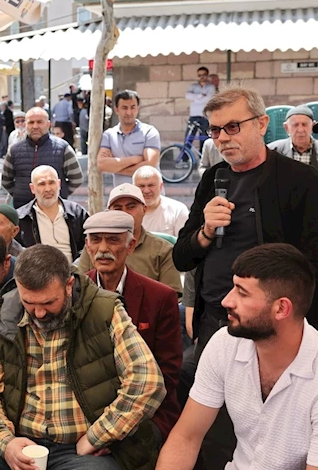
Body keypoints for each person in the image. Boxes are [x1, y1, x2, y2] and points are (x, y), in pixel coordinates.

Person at [0, 244, 166, 470]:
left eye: (48, 302)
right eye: (29, 303)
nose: (39, 313)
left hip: (79, 444)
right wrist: (5, 442)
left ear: (68, 285)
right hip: (19, 438)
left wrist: (98, 436)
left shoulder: (104, 310)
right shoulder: (4, 313)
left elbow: (146, 382)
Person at [174, 86, 318, 350]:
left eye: (233, 126)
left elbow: (311, 265)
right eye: (215, 130)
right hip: (215, 322)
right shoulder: (212, 178)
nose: (222, 139)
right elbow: (182, 257)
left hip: (270, 328)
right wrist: (205, 231)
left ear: (262, 124)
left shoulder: (301, 180)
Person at [158, 244, 318, 470]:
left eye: (242, 293)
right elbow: (186, 438)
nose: (226, 301)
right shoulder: (225, 344)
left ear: (281, 308)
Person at [83, 211, 182, 442]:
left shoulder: (160, 297)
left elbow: (168, 371)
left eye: (113, 240)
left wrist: (121, 421)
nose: (103, 248)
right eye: (96, 239)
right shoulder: (75, 292)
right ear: (87, 246)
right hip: (87, 409)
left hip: (146, 407)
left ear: (130, 246)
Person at [79, 184, 182, 293]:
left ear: (144, 209)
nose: (125, 212)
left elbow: (171, 297)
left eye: (131, 207)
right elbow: (79, 288)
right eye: (118, 208)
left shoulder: (163, 250)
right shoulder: (95, 247)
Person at [2, 107, 83, 209]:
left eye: (39, 122)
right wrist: (20, 192)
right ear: (26, 125)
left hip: (54, 210)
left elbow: (76, 178)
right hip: (23, 211)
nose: (35, 126)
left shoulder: (62, 148)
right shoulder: (14, 150)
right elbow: (6, 180)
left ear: (48, 124)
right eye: (31, 122)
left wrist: (59, 193)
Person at [16, 165, 88, 262]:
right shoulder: (21, 218)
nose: (48, 189)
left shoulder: (77, 212)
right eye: (42, 184)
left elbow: (88, 246)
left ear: (59, 184)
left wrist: (77, 270)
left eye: (51, 183)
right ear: (32, 188)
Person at [97, 90, 161, 186]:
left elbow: (149, 166)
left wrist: (117, 168)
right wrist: (134, 159)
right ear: (116, 110)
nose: (129, 112)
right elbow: (102, 164)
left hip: (148, 195)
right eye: (124, 108)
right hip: (122, 196)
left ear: (138, 109)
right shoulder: (109, 135)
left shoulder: (149, 132)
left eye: (132, 107)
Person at [132, 166, 188, 236]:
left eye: (151, 185)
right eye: (141, 186)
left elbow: (184, 244)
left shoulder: (178, 210)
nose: (146, 191)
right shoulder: (126, 212)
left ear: (161, 186)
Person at [267, 104, 318, 168]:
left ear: (312, 126)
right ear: (286, 127)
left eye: (304, 124)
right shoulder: (272, 151)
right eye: (295, 125)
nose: (300, 130)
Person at [185, 67, 216, 131]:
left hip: (205, 116)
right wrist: (200, 96)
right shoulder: (193, 86)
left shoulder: (211, 87)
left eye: (204, 75)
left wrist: (195, 99)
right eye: (199, 75)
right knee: (188, 137)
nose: (202, 77)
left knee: (204, 137)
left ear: (207, 75)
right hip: (193, 115)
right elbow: (187, 96)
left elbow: (209, 99)